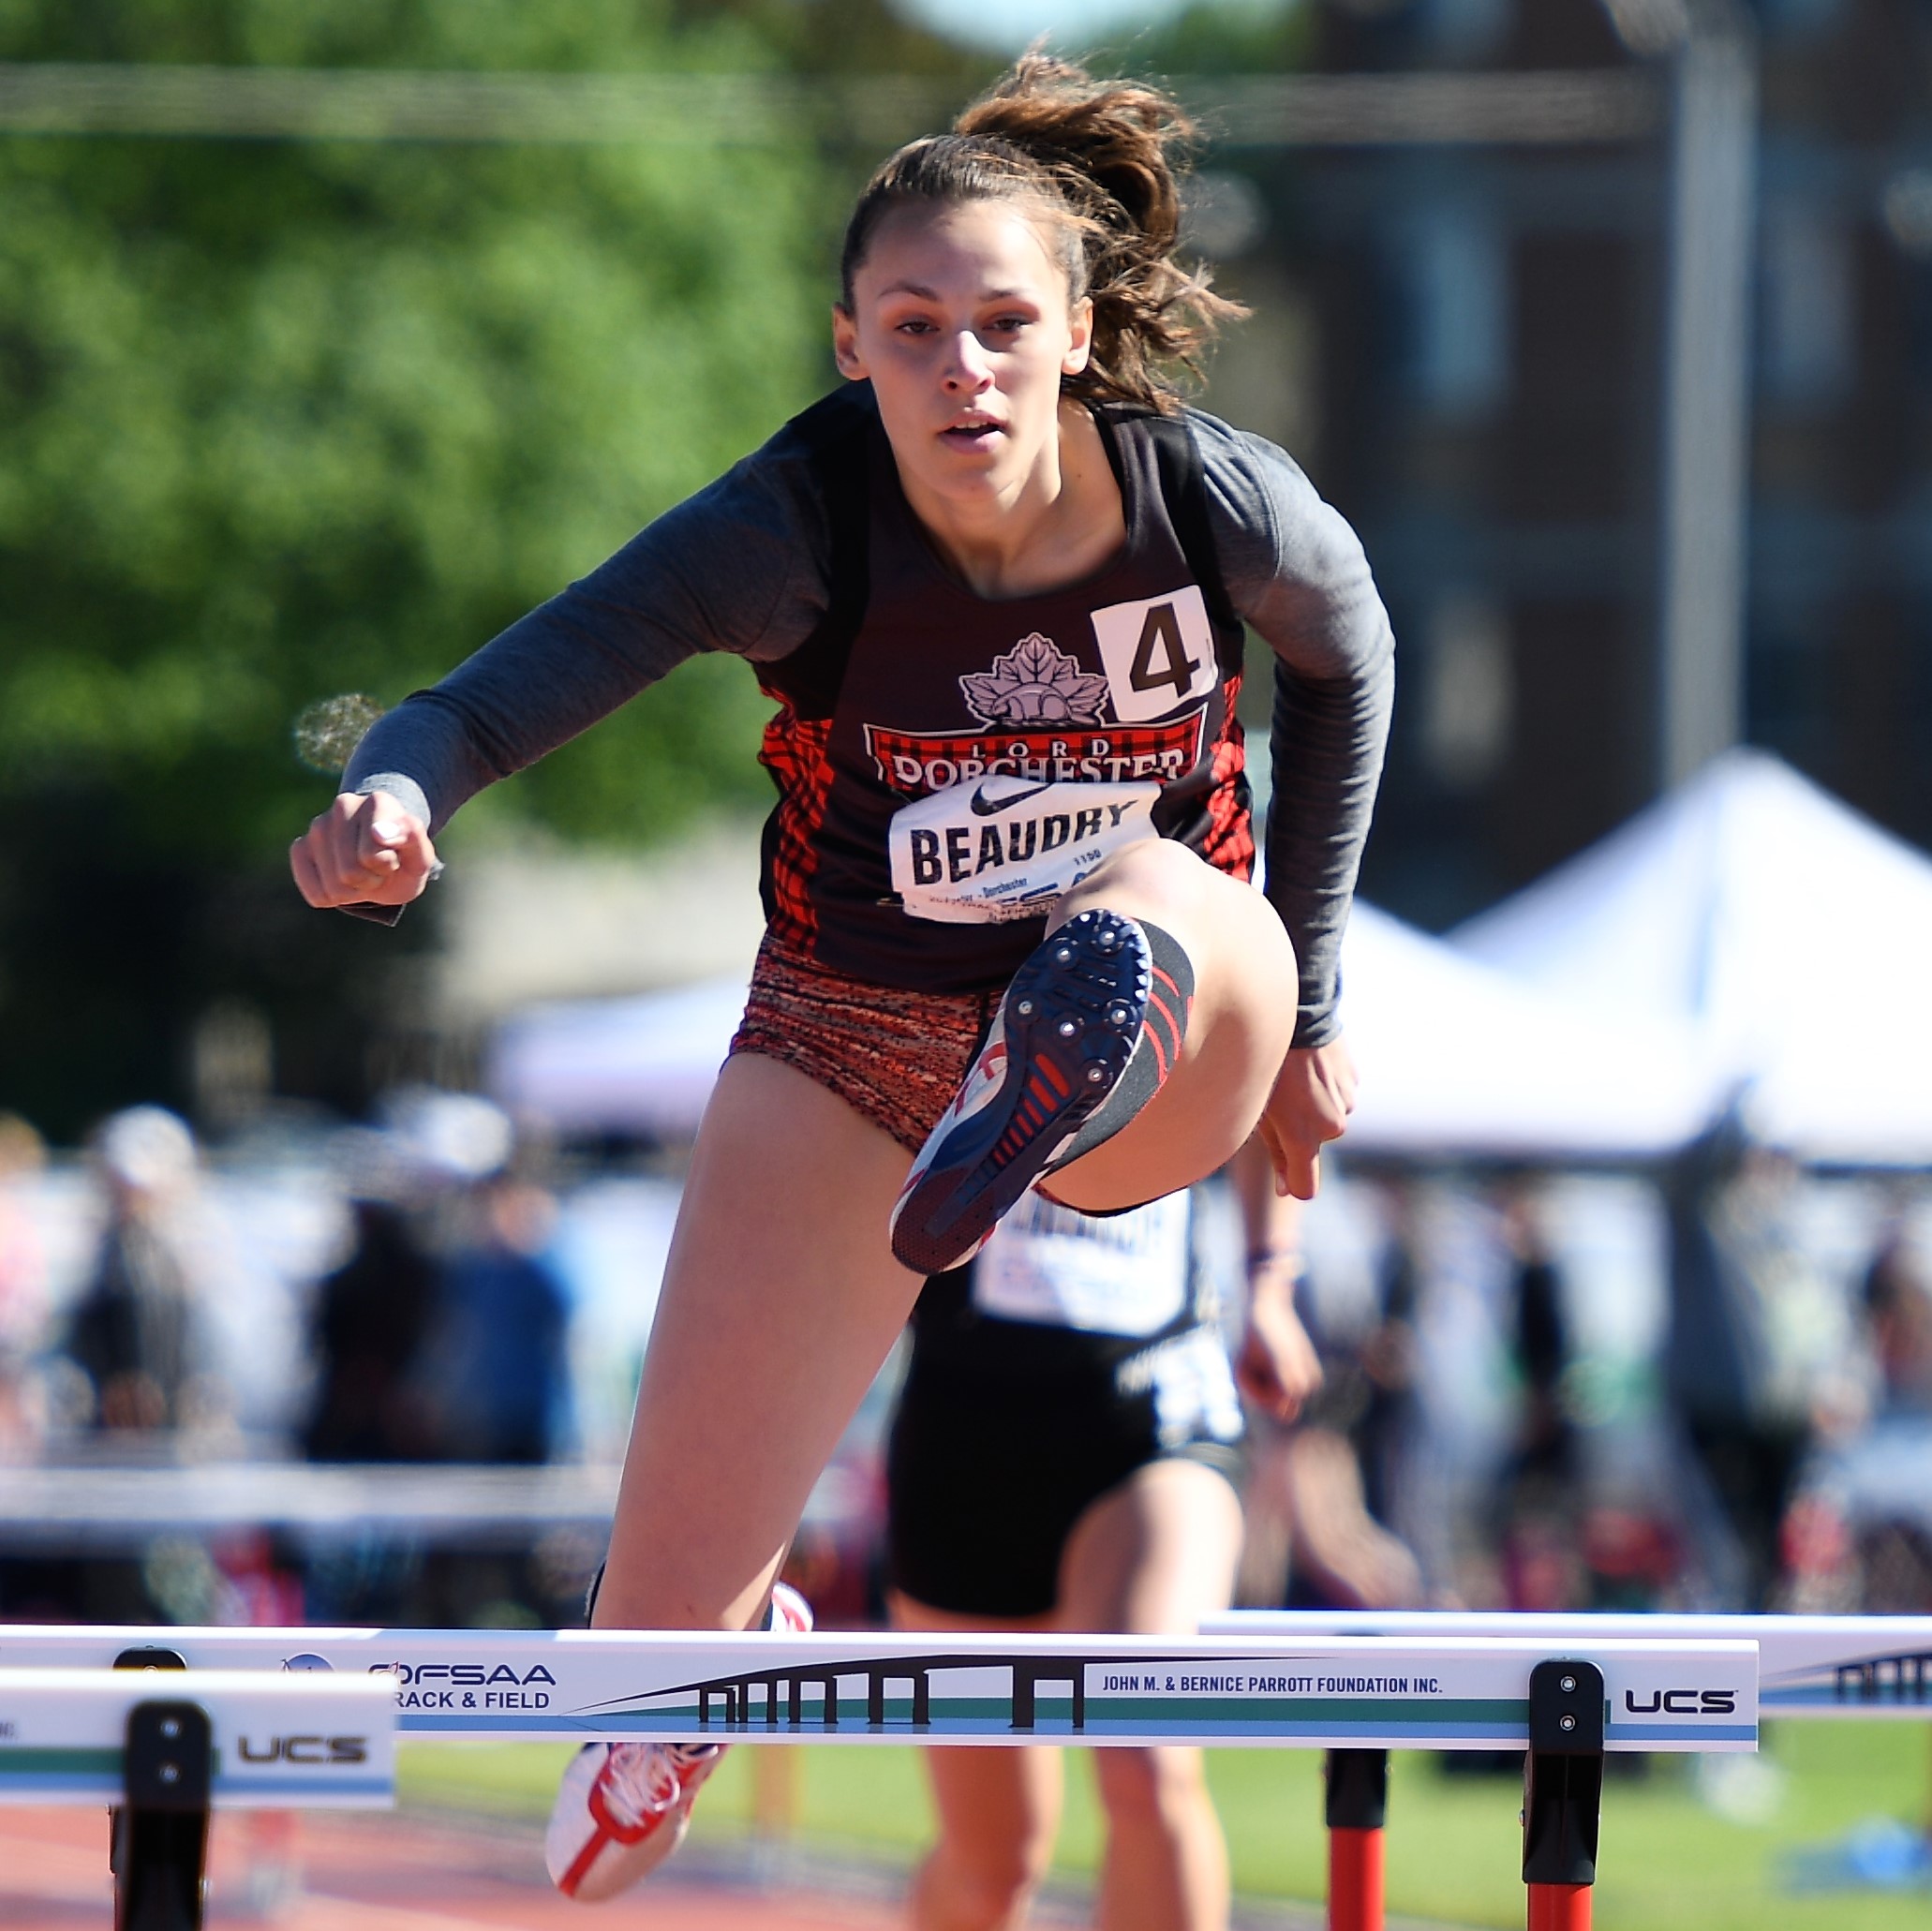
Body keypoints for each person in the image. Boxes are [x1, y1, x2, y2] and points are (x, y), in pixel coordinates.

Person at [288, 54, 1392, 1902]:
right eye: (911, 327)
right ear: (849, 346)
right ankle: (697, 1657)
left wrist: (1321, 997)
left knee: (1133, 897)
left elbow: (1343, 659)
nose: (959, 364)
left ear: (1074, 333)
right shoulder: (790, 523)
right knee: (643, 1645)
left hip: (1167, 995)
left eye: (998, 324)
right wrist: (393, 793)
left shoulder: (1206, 500)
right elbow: (494, 690)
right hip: (849, 1019)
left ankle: (1068, 1039)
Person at [886, 1137, 1317, 1931]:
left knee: (1147, 1756)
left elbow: (1283, 1076)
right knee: (992, 1864)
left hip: (1156, 1412)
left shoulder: (1265, 1003)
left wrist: (1269, 1281)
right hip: (963, 1431)